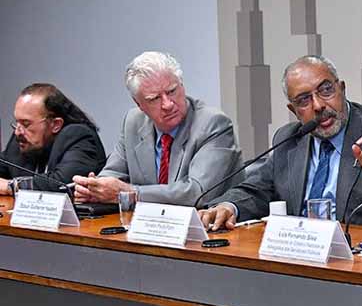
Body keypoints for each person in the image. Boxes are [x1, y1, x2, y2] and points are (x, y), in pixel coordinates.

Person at [199, 55, 362, 232]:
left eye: (326, 90)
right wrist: (228, 206)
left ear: (342, 89)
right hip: (302, 259)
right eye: (304, 100)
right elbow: (256, 190)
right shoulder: (288, 140)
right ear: (293, 110)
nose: (318, 105)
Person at [72, 51, 243, 206]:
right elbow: (112, 173)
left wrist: (131, 193)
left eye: (172, 91)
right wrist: (94, 188)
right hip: (149, 225)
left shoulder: (213, 123)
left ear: (182, 85)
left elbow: (197, 193)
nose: (167, 104)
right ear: (139, 104)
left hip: (207, 224)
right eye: (154, 99)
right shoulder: (133, 122)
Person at [0, 83, 106, 194]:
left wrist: (11, 186)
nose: (17, 132)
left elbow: (62, 184)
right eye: (17, 122)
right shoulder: (22, 138)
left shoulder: (78, 137)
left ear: (55, 124)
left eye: (26, 124)